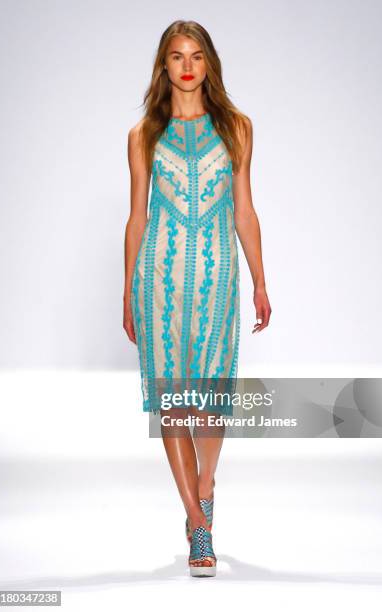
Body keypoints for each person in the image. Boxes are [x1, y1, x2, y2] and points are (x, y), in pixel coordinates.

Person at [123, 20, 271, 577]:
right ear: (163, 66)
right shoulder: (143, 136)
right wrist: (127, 289)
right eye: (176, 56)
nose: (187, 65)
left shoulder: (236, 127)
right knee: (172, 403)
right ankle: (198, 526)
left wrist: (259, 279)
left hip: (217, 282)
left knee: (208, 401)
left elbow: (244, 210)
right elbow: (137, 216)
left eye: (197, 55)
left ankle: (205, 487)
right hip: (158, 278)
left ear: (209, 64)